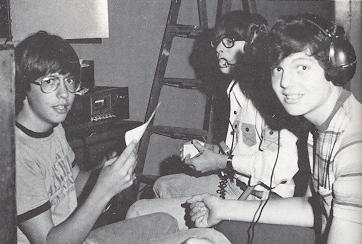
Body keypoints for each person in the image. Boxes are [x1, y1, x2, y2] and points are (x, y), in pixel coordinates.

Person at [14, 30, 230, 244]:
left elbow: (72, 182)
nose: (64, 94)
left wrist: (105, 172)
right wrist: (104, 191)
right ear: (24, 85)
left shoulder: (53, 128)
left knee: (164, 221)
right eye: (50, 81)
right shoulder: (16, 156)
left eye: (69, 81)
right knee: (208, 238)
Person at [186, 13, 362, 244]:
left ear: (335, 65)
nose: (286, 82)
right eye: (278, 69)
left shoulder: (353, 146)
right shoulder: (319, 127)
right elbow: (312, 209)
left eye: (302, 67)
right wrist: (223, 208)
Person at [126, 11, 300, 230]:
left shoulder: (270, 97)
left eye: (228, 41)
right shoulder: (236, 90)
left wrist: (221, 163)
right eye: (217, 42)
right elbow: (238, 149)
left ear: (253, 46)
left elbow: (281, 169)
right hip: (234, 182)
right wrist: (212, 151)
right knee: (163, 185)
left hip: (263, 199)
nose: (218, 49)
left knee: (138, 210)